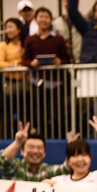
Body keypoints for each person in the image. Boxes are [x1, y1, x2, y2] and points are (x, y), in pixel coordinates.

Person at [22, 7, 71, 138]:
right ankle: (41, 138)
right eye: (41, 17)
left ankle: (58, 138)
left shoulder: (59, 39)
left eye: (46, 17)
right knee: (39, 113)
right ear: (36, 19)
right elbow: (25, 59)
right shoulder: (30, 40)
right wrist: (31, 63)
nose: (43, 20)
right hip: (37, 82)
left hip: (56, 83)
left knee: (58, 113)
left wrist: (60, 61)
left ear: (51, 20)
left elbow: (67, 59)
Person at [43, 115, 97, 185]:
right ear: (68, 160)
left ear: (90, 157)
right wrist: (45, 185)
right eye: (75, 156)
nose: (80, 159)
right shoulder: (59, 181)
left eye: (84, 154)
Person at [0, 121, 70, 181]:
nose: (35, 151)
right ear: (22, 151)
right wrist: (18, 142)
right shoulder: (16, 168)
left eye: (39, 148)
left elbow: (67, 168)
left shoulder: (48, 171)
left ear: (44, 153)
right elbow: (4, 160)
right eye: (31, 147)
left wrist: (71, 149)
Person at [0, 18, 28, 137]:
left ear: (19, 29)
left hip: (24, 84)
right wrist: (14, 65)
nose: (8, 30)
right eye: (6, 27)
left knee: (24, 112)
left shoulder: (25, 44)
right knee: (5, 113)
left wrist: (22, 56)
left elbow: (29, 60)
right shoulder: (3, 45)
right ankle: (3, 138)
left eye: (11, 27)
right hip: (8, 84)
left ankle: (25, 137)